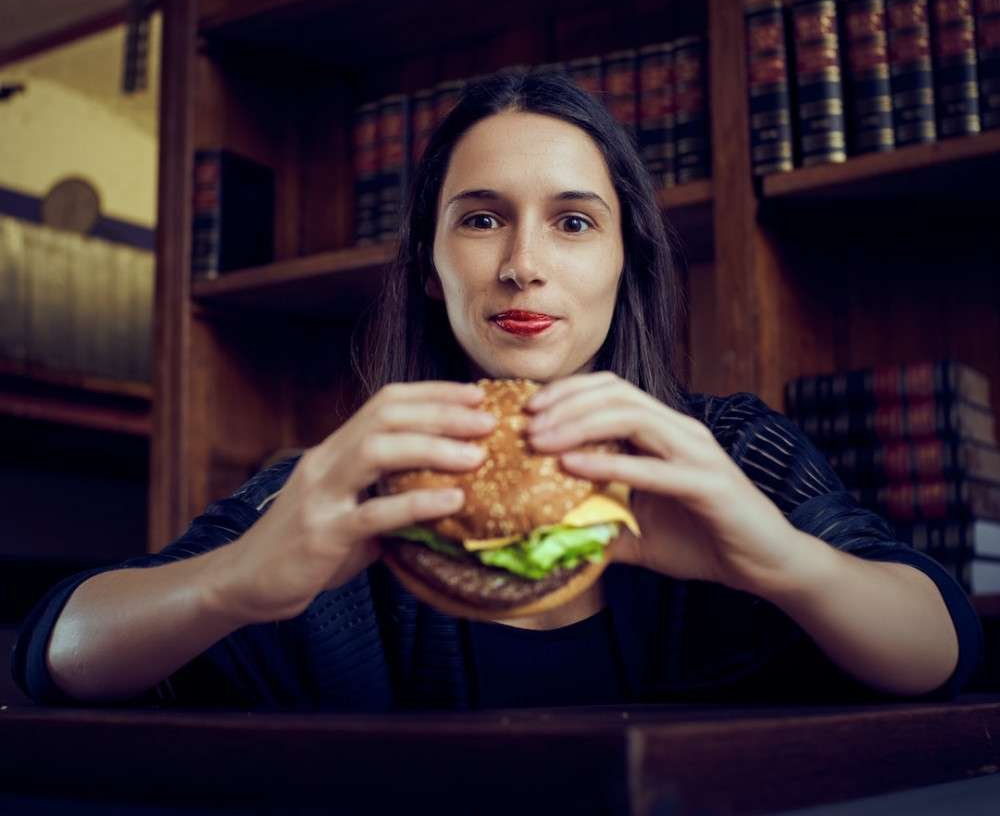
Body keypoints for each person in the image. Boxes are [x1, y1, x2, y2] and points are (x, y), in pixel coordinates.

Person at [13, 68, 982, 710]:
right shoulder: (353, 482)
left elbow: (938, 649)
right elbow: (56, 653)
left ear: (623, 264)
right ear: (432, 266)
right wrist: (233, 578)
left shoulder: (736, 450)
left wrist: (771, 558)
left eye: (571, 222)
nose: (522, 264)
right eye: (481, 220)